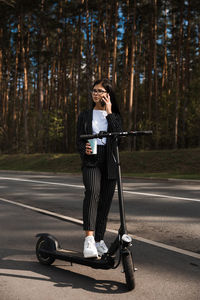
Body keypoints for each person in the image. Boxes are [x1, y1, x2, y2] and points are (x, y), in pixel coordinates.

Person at [76, 78, 122, 258]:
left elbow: (118, 138)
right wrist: (84, 148)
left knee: (105, 201)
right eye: (94, 90)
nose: (95, 93)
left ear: (107, 94)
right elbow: (78, 140)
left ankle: (99, 240)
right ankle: (89, 239)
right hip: (91, 159)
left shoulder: (115, 116)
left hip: (110, 160)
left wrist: (109, 112)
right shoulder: (85, 115)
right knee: (93, 192)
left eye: (100, 91)